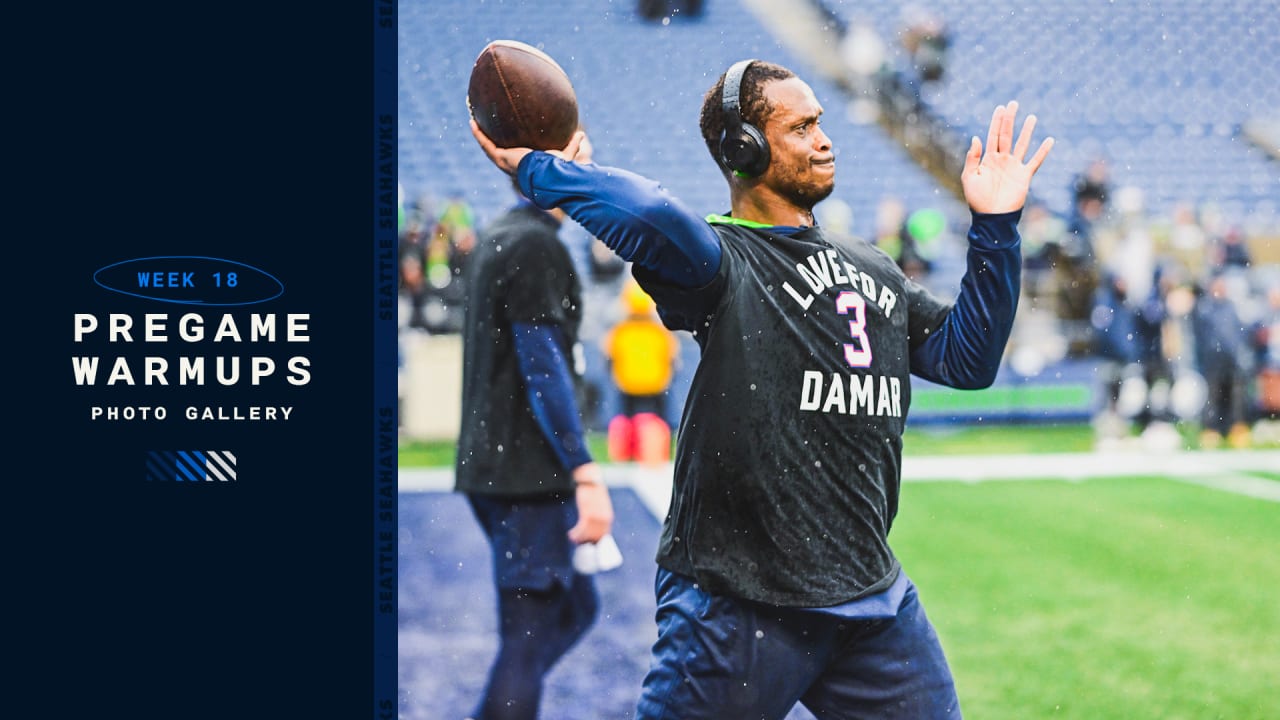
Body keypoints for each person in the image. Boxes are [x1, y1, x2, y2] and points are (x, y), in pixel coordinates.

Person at [471, 57, 1052, 719]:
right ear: (743, 148)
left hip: (870, 599)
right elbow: (654, 213)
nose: (823, 139)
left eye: (821, 123)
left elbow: (968, 360)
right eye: (801, 127)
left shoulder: (872, 266)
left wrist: (998, 228)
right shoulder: (717, 262)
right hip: (737, 604)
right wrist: (546, 171)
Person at [453, 160, 616, 718]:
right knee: (527, 638)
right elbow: (542, 367)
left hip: (493, 463)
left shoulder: (501, 235)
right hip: (527, 470)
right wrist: (584, 469)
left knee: (572, 607)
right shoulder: (533, 246)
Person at [601, 278, 681, 463]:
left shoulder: (619, 332)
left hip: (628, 386)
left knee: (625, 420)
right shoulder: (660, 333)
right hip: (656, 386)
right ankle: (662, 455)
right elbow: (673, 361)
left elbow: (608, 359)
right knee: (662, 422)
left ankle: (625, 455)